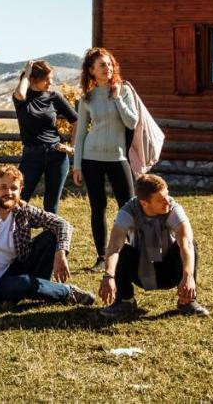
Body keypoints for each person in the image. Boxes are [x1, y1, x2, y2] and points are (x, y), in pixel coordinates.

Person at [0, 166, 94, 306]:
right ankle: (68, 292)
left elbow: (63, 224)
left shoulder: (22, 209)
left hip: (17, 266)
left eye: (13, 188)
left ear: (20, 190)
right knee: (25, 283)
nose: (8, 193)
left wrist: (61, 253)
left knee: (51, 235)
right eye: (3, 187)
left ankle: (38, 288)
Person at [97, 173, 209, 318]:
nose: (167, 202)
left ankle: (187, 301)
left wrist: (188, 276)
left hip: (170, 271)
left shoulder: (174, 209)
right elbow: (113, 247)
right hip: (140, 271)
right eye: (161, 200)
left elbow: (186, 243)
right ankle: (125, 302)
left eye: (167, 196)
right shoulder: (127, 212)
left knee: (191, 244)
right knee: (123, 251)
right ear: (144, 203)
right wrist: (108, 276)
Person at [72, 47, 139, 272]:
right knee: (97, 207)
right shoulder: (87, 98)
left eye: (110, 64)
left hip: (118, 157)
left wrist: (118, 98)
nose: (108, 68)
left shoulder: (125, 91)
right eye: (102, 65)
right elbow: (80, 134)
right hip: (91, 158)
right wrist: (77, 165)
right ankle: (102, 257)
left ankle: (131, 252)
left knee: (129, 205)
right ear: (91, 70)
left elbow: (132, 122)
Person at [12, 60, 77, 214]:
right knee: (19, 200)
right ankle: (16, 236)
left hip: (57, 154)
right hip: (31, 155)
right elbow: (20, 93)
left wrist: (72, 148)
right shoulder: (22, 98)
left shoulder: (55, 97)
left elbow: (77, 120)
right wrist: (26, 74)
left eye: (51, 78)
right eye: (46, 79)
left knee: (51, 206)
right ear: (34, 80)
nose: (51, 82)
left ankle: (50, 238)